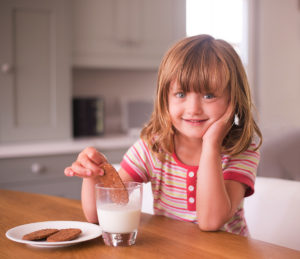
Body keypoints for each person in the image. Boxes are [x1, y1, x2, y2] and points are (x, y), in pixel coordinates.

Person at [64, 34, 262, 236]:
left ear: (234, 99)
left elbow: (211, 221)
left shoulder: (242, 150)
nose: (193, 109)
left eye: (209, 95)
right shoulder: (153, 147)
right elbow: (98, 216)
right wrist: (93, 175)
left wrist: (211, 144)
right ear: (165, 98)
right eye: (181, 94)